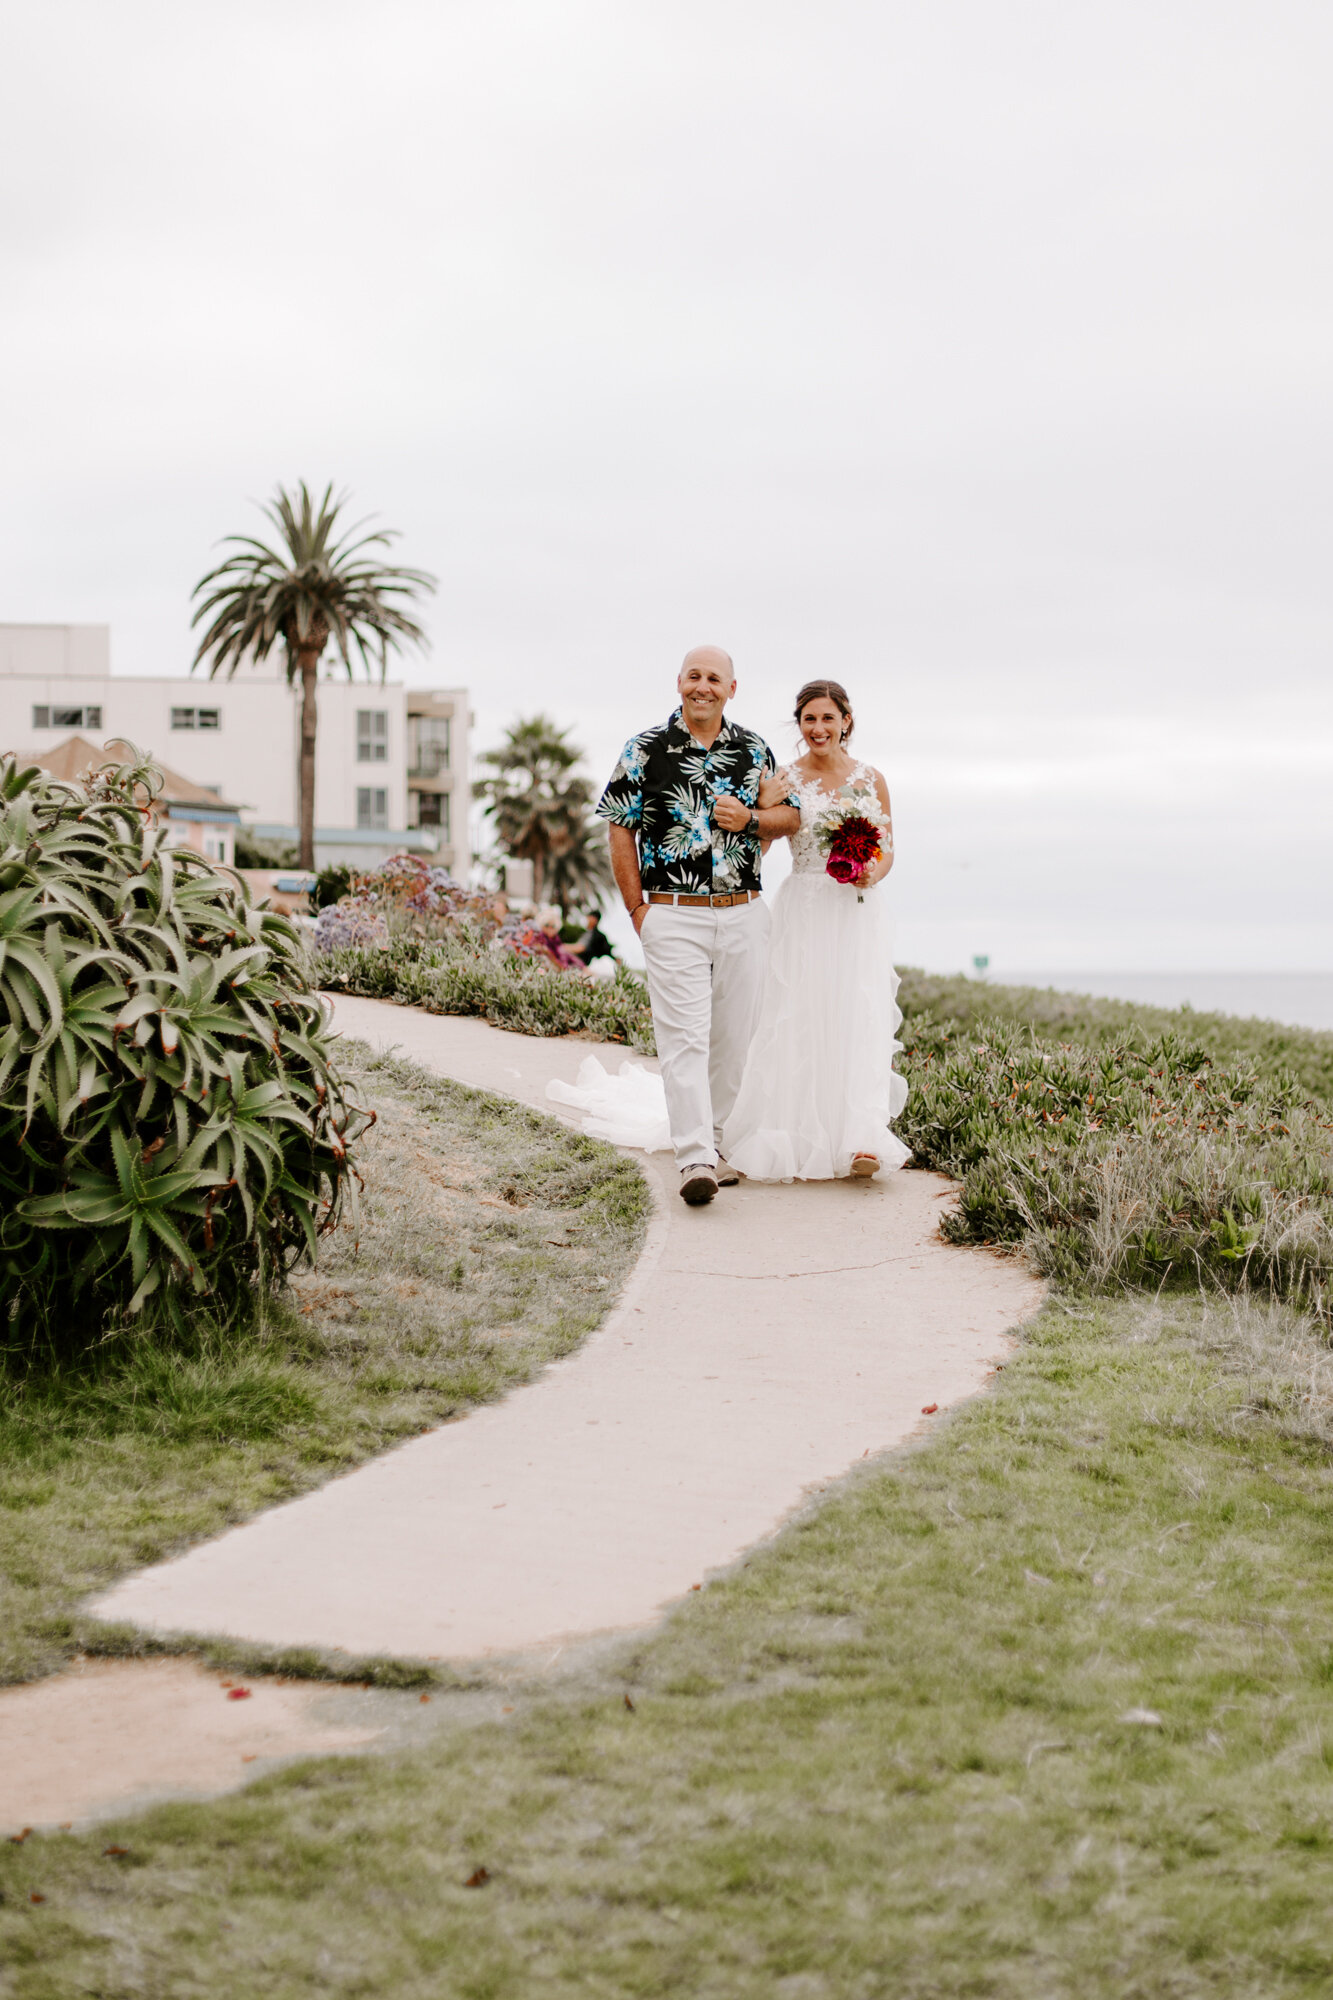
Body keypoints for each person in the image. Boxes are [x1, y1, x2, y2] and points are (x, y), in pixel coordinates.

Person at [596, 645, 799, 1206]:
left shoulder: (754, 748)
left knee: (735, 1037)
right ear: (679, 683)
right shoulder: (644, 748)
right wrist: (638, 910)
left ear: (732, 688)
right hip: (671, 913)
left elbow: (793, 815)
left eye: (714, 678)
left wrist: (753, 818)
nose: (702, 686)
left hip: (743, 911)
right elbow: (618, 827)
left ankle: (712, 1141)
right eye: (694, 676)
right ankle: (693, 1160)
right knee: (684, 1035)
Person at [721, 678, 910, 1181]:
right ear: (799, 724)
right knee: (797, 1015)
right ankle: (788, 1133)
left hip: (857, 910)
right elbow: (758, 843)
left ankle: (860, 1137)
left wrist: (874, 869)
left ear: (846, 720)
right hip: (804, 906)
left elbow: (888, 847)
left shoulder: (872, 779)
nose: (819, 728)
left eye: (828, 717)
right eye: (809, 719)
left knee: (857, 1012)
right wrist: (757, 810)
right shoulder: (784, 779)